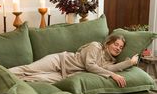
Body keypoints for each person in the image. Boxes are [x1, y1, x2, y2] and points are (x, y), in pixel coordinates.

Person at [9, 35, 139, 87]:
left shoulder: (109, 62)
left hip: (64, 75)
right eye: (116, 44)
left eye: (121, 47)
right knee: (28, 70)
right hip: (59, 61)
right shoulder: (95, 46)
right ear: (108, 43)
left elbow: (110, 69)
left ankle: (6, 82)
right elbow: (90, 65)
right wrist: (112, 75)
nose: (118, 48)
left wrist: (130, 62)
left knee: (32, 78)